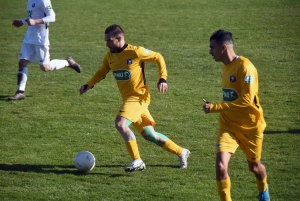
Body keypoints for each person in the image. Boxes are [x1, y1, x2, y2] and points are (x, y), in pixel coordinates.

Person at [79, 24, 190, 172]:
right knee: (150, 135)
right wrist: (89, 84)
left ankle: (137, 161)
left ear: (119, 38)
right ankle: (182, 152)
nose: (106, 44)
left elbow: (158, 57)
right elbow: (101, 72)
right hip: (129, 100)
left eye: (109, 41)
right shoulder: (110, 56)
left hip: (139, 97)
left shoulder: (136, 52)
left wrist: (162, 78)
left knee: (120, 124)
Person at [202, 29, 270, 201]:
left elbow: (247, 101)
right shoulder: (226, 67)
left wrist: (216, 107)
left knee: (255, 167)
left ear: (223, 47)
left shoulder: (246, 68)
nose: (210, 52)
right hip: (228, 124)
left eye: (212, 48)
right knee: (220, 167)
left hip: (251, 127)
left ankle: (264, 194)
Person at [8, 0, 81, 101]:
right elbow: (32, 17)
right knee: (22, 62)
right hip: (29, 38)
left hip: (40, 39)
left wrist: (35, 22)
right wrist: (22, 21)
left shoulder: (44, 1)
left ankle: (68, 62)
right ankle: (20, 92)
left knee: (45, 68)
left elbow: (52, 17)